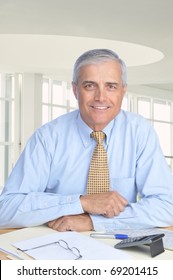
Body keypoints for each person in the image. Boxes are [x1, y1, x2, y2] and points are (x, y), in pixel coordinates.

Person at [0, 49, 173, 232]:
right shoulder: (47, 137)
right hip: (58, 243)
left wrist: (93, 222)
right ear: (75, 90)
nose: (100, 97)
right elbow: (6, 209)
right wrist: (81, 202)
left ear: (123, 91)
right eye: (90, 86)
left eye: (111, 86)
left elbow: (167, 205)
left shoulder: (139, 132)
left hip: (119, 246)